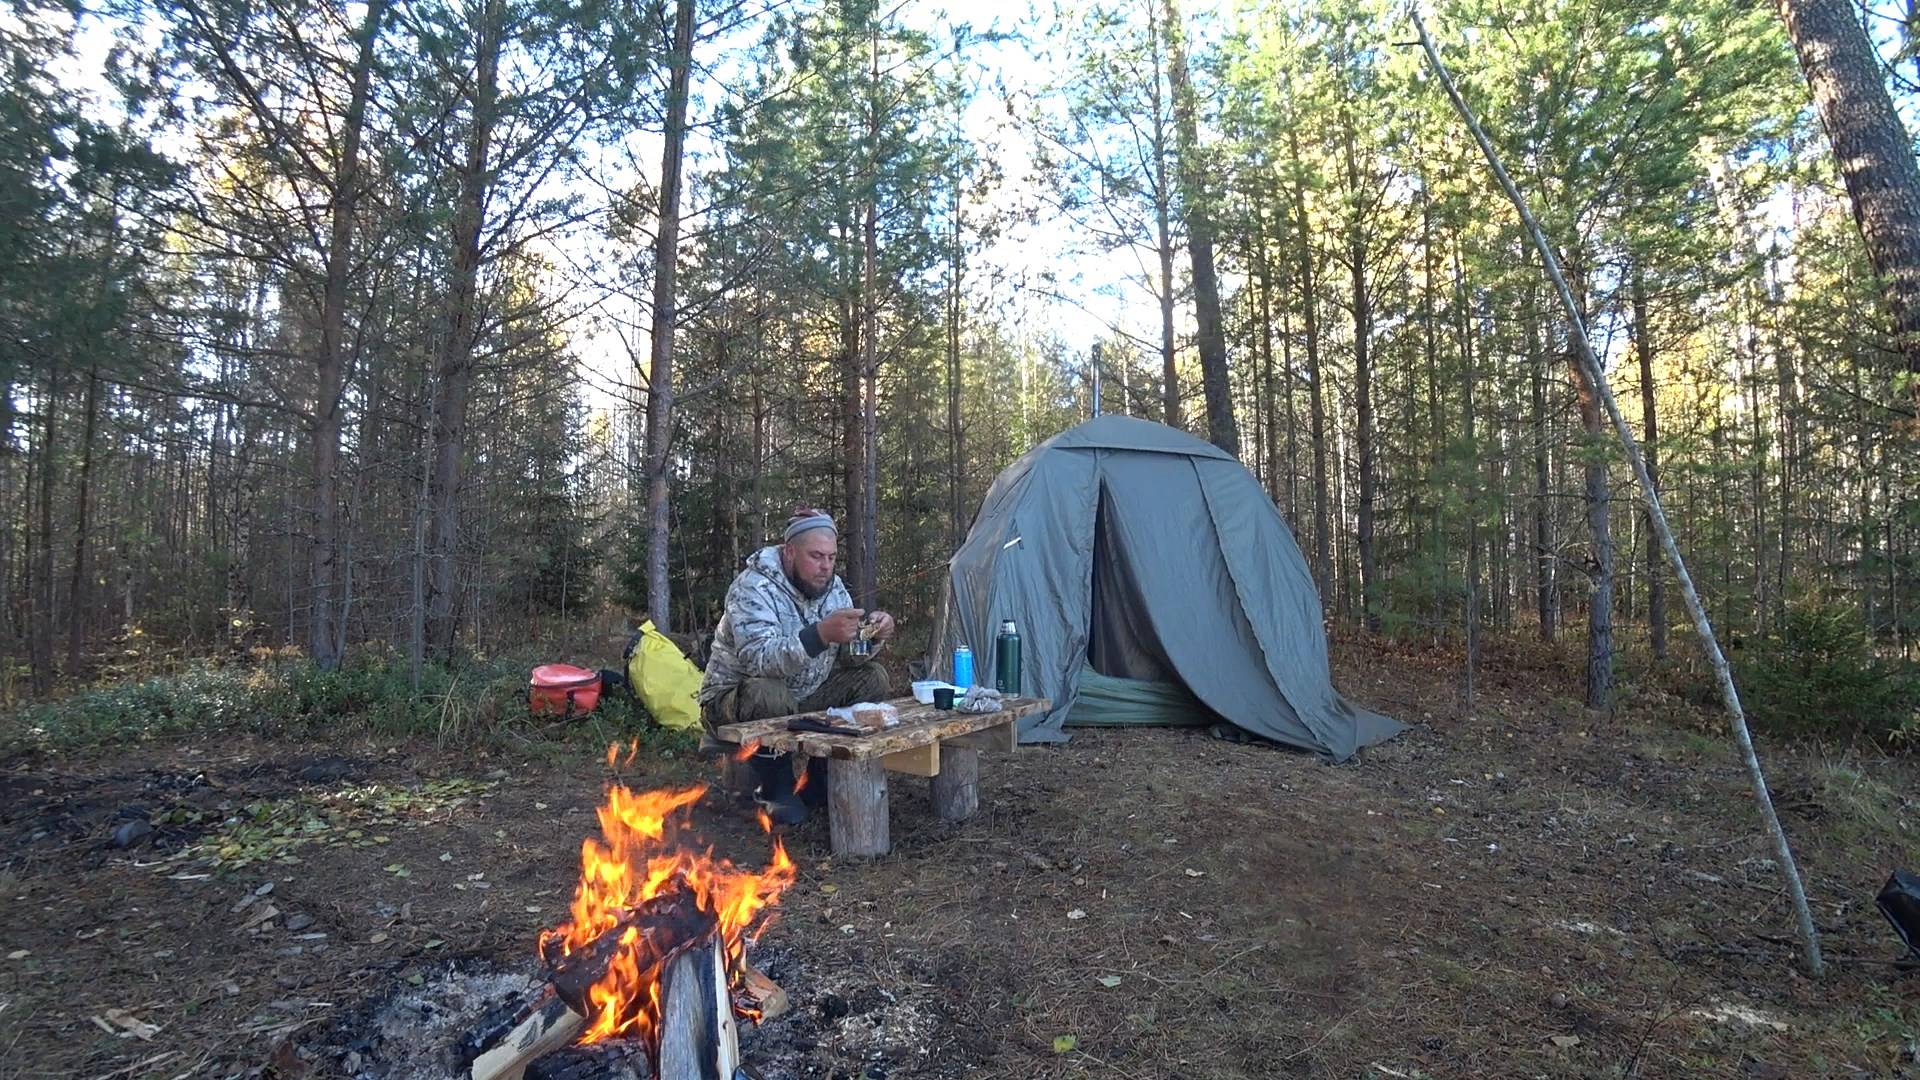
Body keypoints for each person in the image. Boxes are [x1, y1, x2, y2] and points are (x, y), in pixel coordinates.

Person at [699, 507, 896, 824]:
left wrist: (872, 636)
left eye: (831, 558)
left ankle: (821, 775)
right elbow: (758, 659)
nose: (825, 567)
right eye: (816, 556)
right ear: (789, 552)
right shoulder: (753, 588)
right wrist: (819, 635)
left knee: (873, 677)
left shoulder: (833, 589)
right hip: (735, 698)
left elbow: (847, 658)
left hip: (803, 694)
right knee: (770, 693)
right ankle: (774, 785)